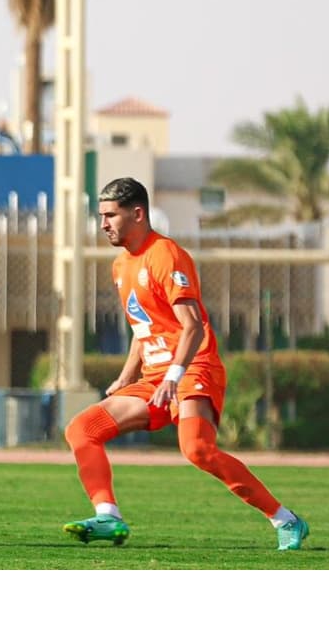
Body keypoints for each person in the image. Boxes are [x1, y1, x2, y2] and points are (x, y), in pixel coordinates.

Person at [62, 177, 309, 550]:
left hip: (193, 366)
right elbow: (144, 327)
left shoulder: (166, 255)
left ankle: (286, 519)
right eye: (101, 215)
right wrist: (126, 376)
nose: (103, 223)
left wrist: (175, 376)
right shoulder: (120, 267)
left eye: (110, 215)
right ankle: (108, 517)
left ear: (138, 213)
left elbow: (192, 327)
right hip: (156, 375)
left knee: (197, 450)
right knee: (82, 429)